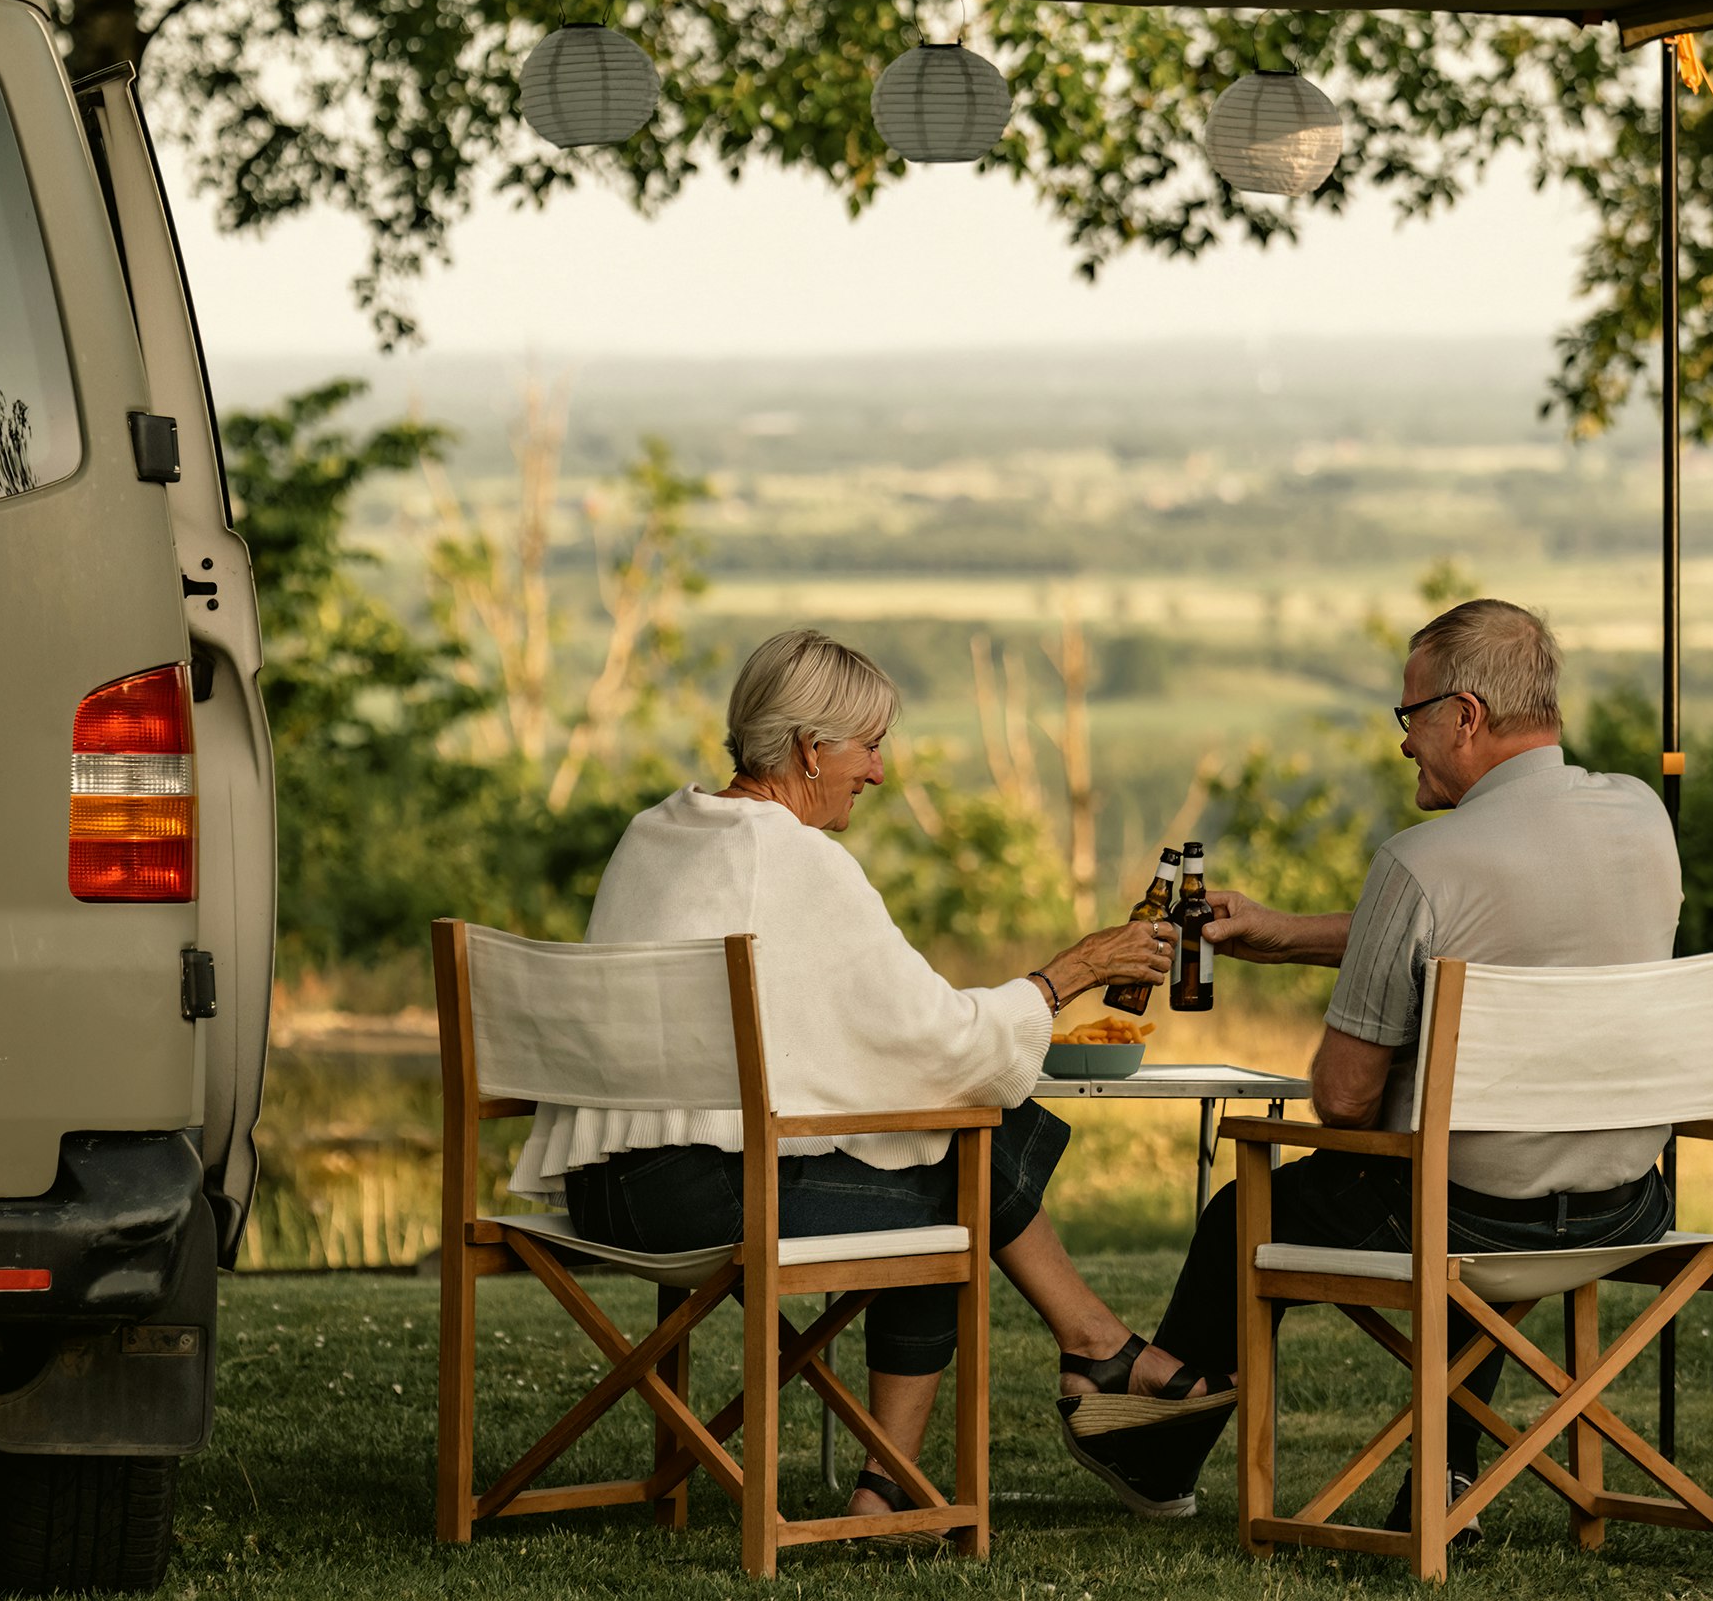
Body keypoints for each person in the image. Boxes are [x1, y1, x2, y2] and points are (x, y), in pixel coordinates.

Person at [508, 628, 1229, 1532]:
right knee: (954, 1185)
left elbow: (825, 1039)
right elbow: (940, 1038)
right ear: (811, 748)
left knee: (949, 1160)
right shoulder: (796, 860)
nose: (879, 772)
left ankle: (1037, 1391)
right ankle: (1051, 1384)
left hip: (603, 1189)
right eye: (870, 746)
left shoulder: (656, 833)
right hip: (699, 1196)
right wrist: (1074, 969)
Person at [1057, 599, 1685, 1536]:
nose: (1403, 743)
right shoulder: (1641, 813)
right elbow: (1494, 931)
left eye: (1410, 715)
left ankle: (1158, 1446)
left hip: (1466, 1208)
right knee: (1463, 1175)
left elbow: (1344, 1101)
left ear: (1465, 715)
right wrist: (1281, 933)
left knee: (1264, 1208)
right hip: (1629, 1202)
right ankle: (1446, 1481)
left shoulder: (1422, 859)